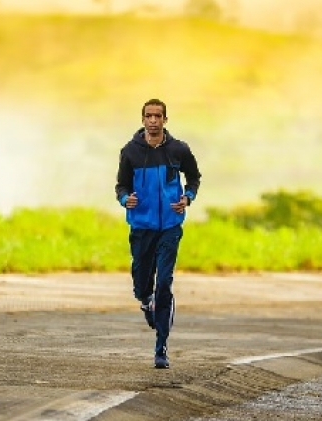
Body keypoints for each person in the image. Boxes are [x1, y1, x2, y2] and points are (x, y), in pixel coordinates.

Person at [115, 98, 202, 369]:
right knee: (142, 284)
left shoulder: (179, 150)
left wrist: (187, 197)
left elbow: (195, 178)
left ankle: (161, 346)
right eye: (149, 116)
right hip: (141, 226)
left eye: (158, 116)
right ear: (142, 120)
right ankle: (146, 301)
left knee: (164, 283)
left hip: (170, 227)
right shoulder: (129, 152)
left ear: (166, 119)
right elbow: (120, 186)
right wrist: (124, 198)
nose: (153, 120)